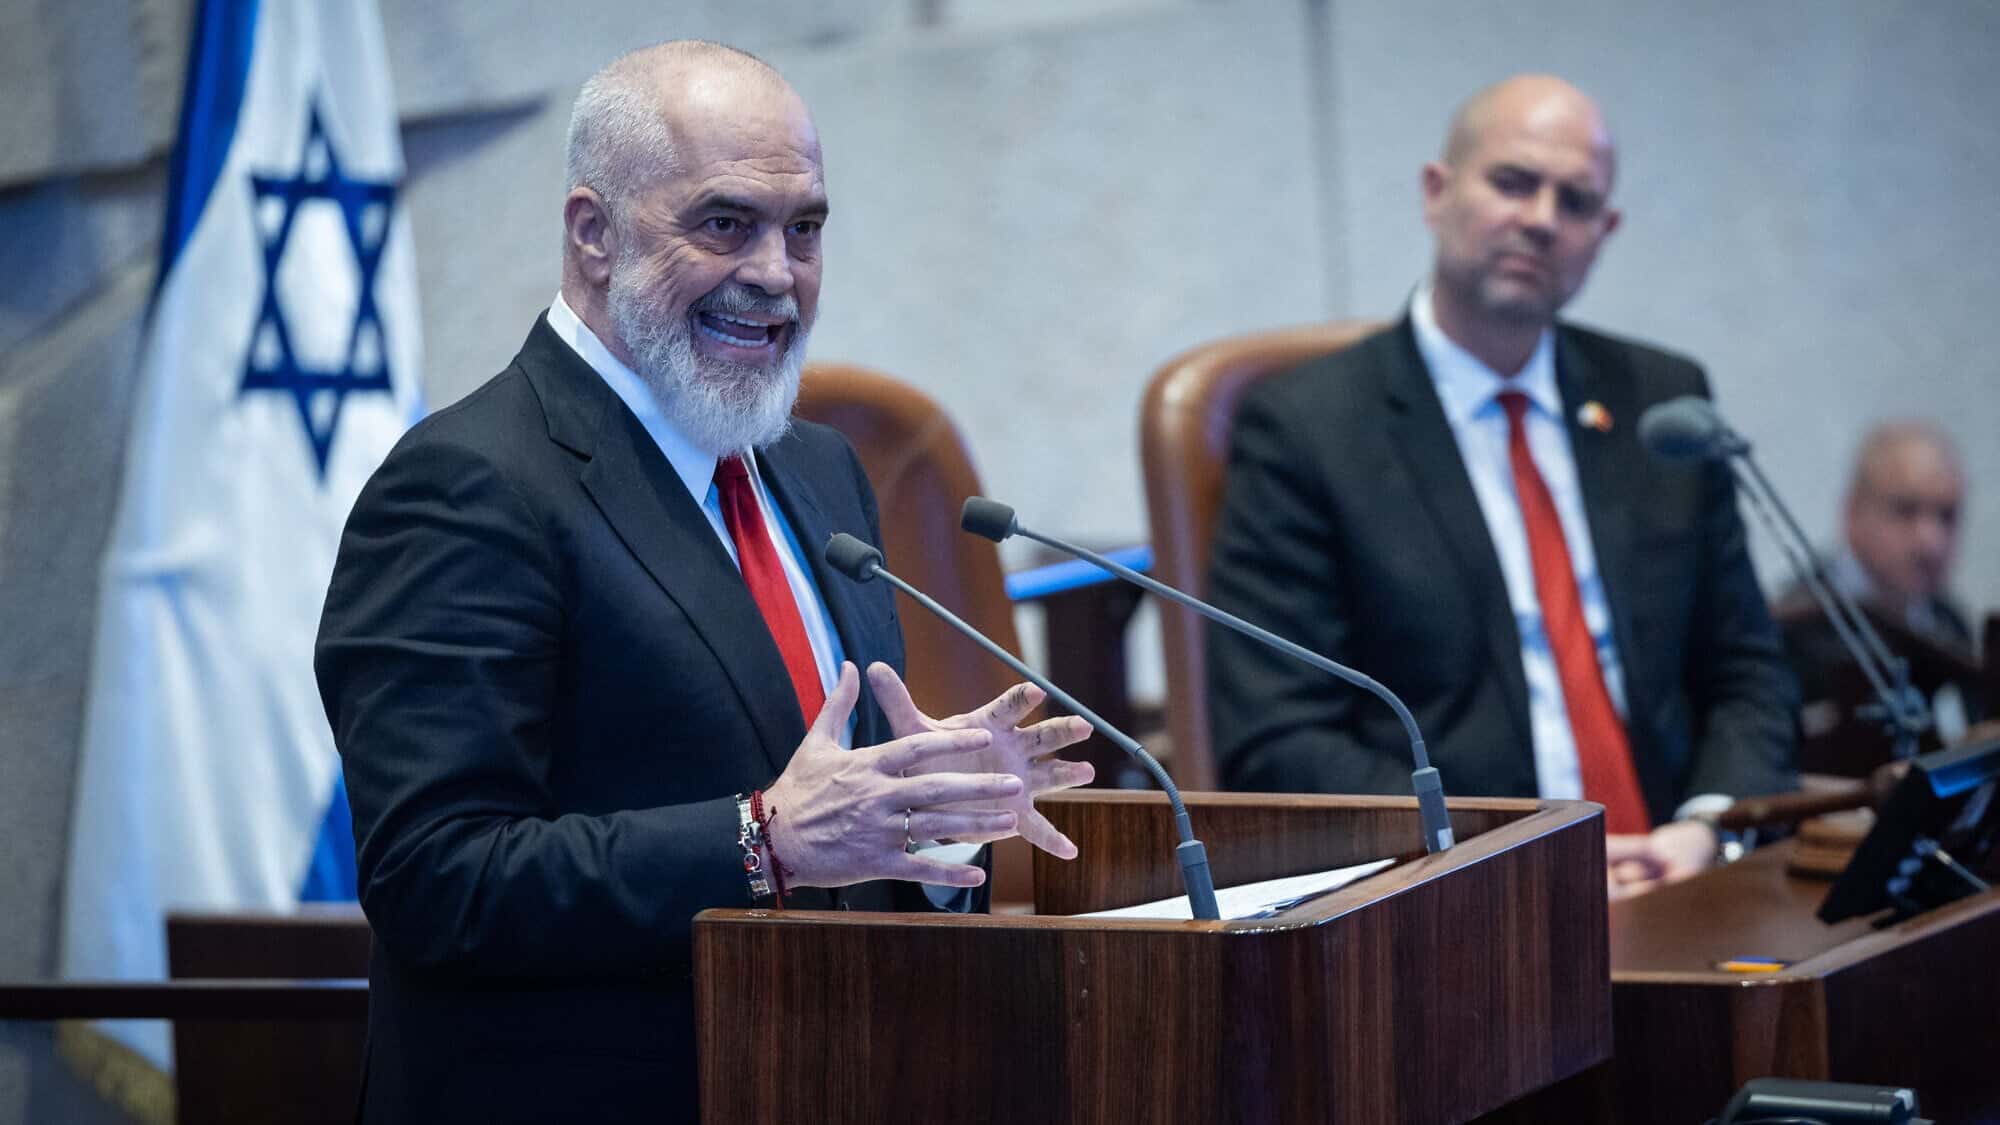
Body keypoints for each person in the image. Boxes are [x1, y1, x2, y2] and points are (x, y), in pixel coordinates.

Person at [315, 41, 1093, 1121]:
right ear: (593, 233)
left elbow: (832, 824)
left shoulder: (820, 469)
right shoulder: (468, 482)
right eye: (725, 224)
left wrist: (926, 814)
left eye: (804, 229)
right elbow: (434, 877)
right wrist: (760, 839)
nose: (776, 273)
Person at [1206, 74, 1798, 898]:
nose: (1542, 220)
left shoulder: (1659, 402)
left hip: (1686, 880)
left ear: (1605, 231)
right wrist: (1513, 854)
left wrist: (1711, 825)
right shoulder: (1309, 429)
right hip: (1466, 900)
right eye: (1514, 182)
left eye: (1576, 201)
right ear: (1436, 192)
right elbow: (1280, 737)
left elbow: (1747, 671)